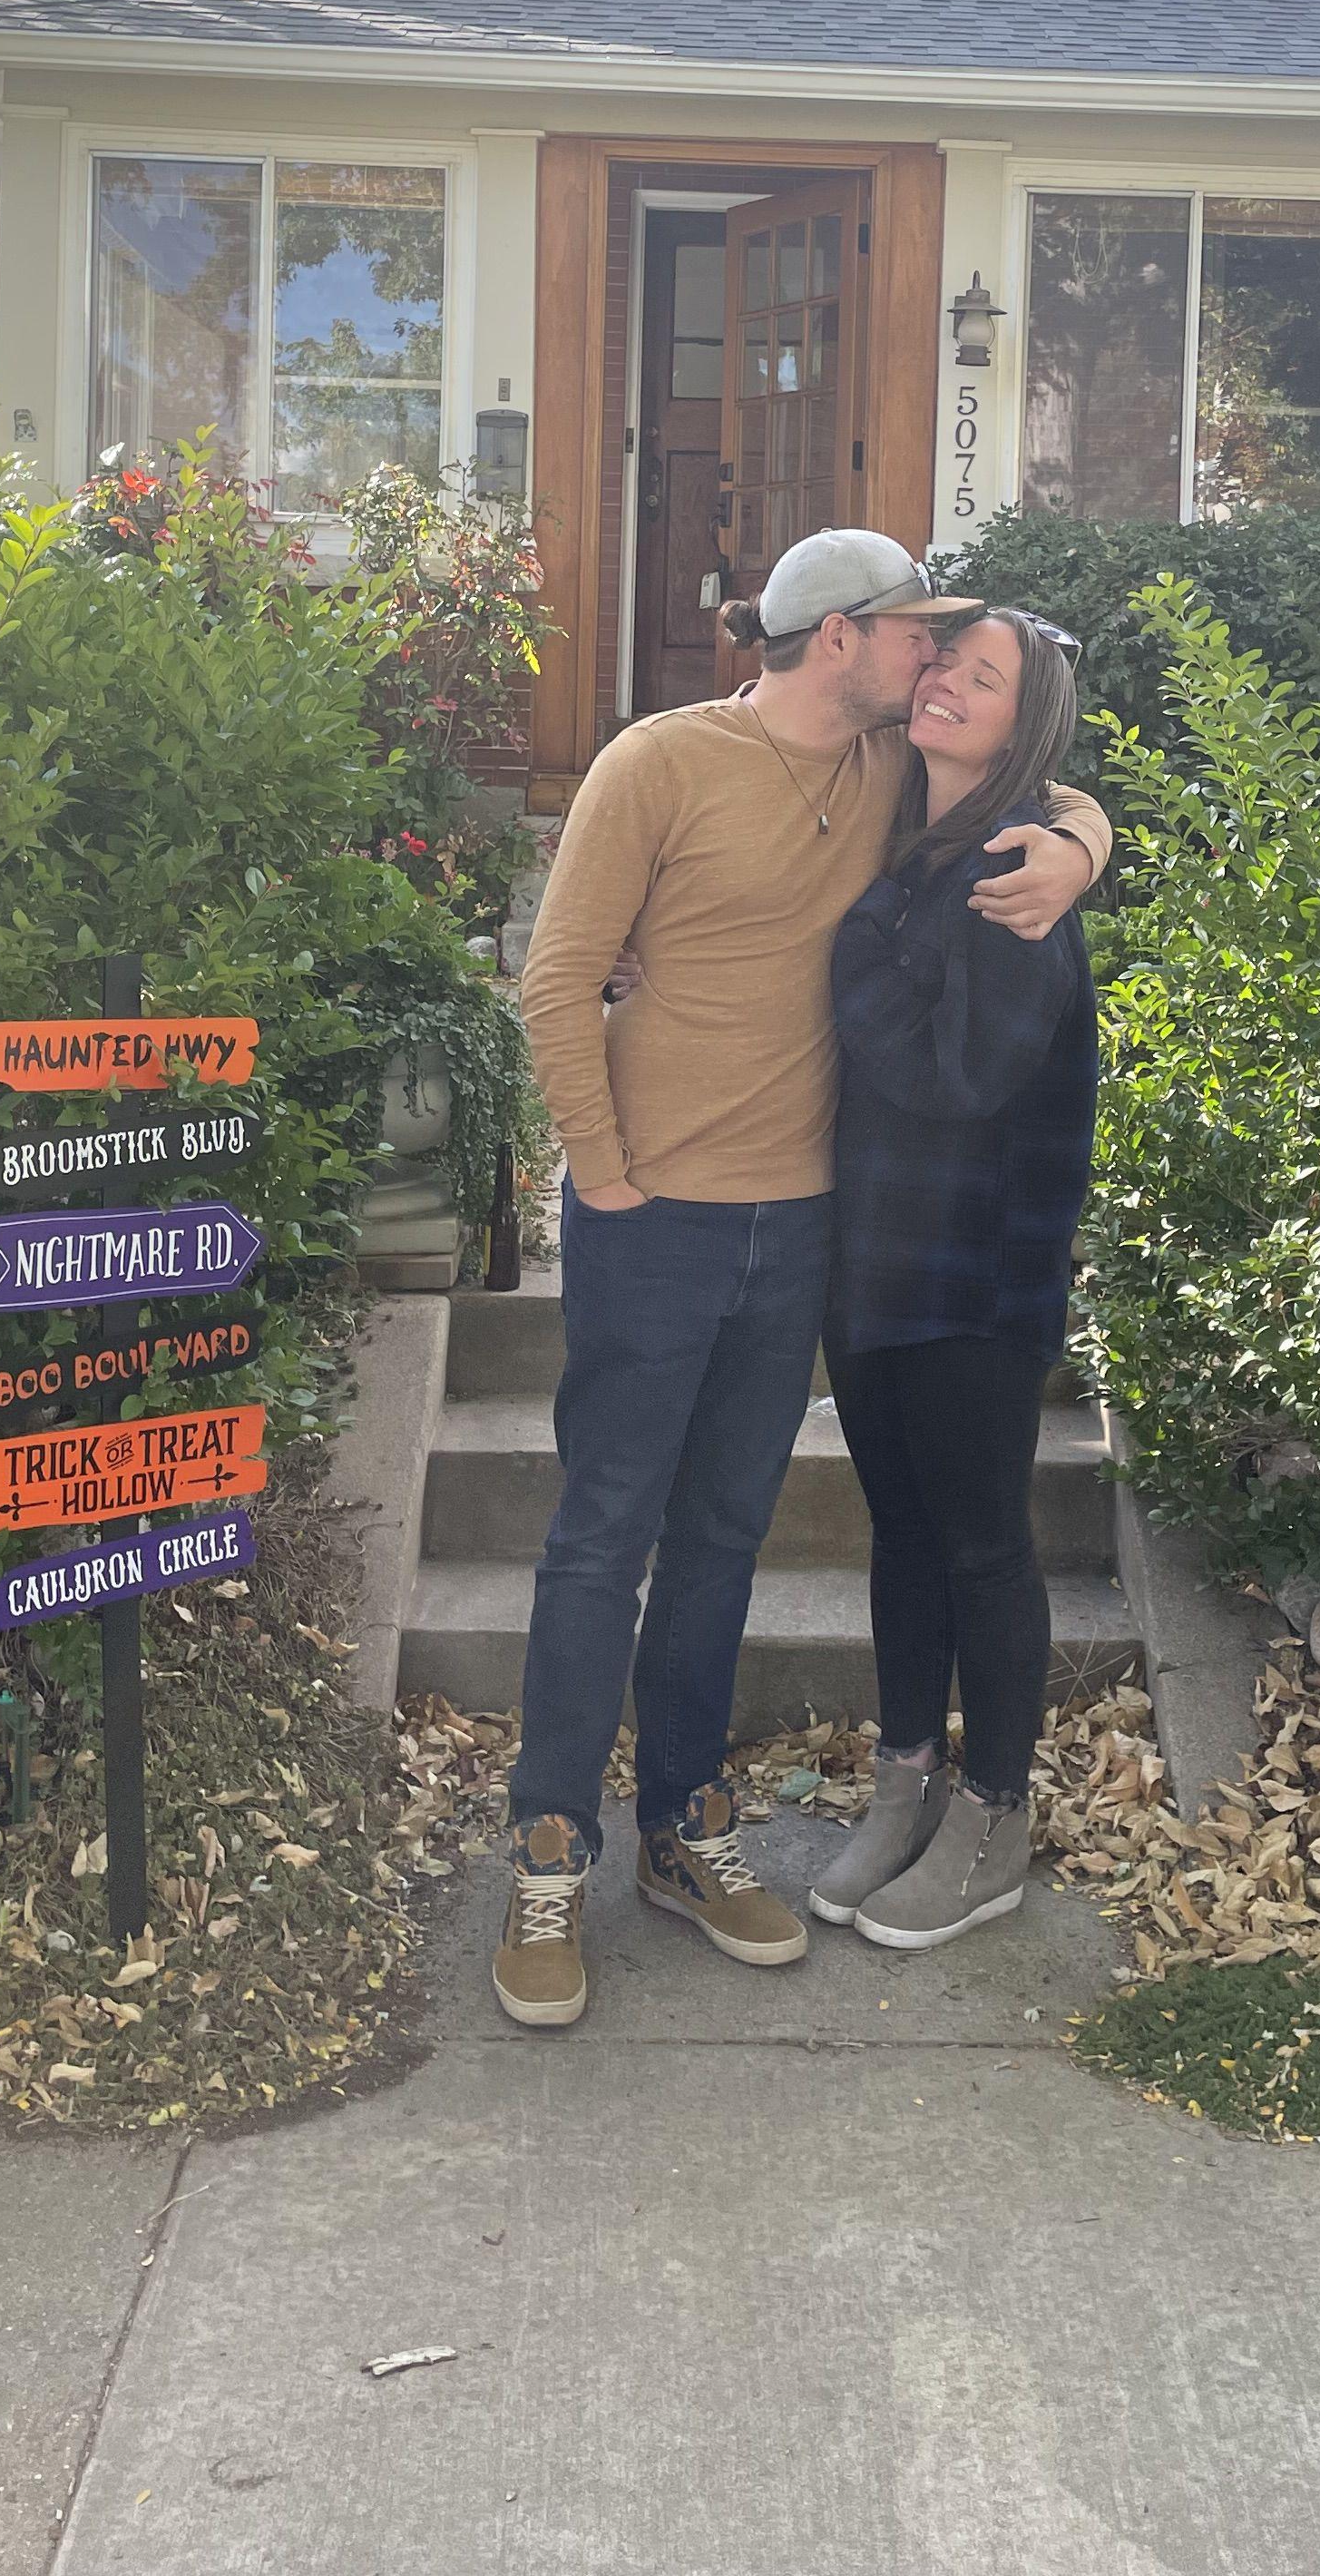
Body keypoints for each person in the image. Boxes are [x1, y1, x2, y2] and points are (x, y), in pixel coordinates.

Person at [495, 534, 1111, 2030]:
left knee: (722, 1540)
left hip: (806, 1230)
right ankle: (550, 1849)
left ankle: (681, 1830)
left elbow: (1037, 780)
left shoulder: (891, 770)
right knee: (603, 1537)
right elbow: (557, 977)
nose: (933, 660)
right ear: (842, 637)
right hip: (654, 1220)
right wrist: (606, 1172)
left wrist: (1087, 846)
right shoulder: (657, 762)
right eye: (917, 635)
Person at [800, 609, 1101, 1952]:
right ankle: (906, 1783)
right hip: (872, 1258)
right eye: (945, 661)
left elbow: (958, 1074)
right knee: (904, 1535)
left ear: (1023, 724)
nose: (948, 686)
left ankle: (993, 1822)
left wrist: (850, 970)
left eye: (986, 680)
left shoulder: (1015, 865)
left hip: (976, 1271)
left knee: (984, 1543)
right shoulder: (906, 836)